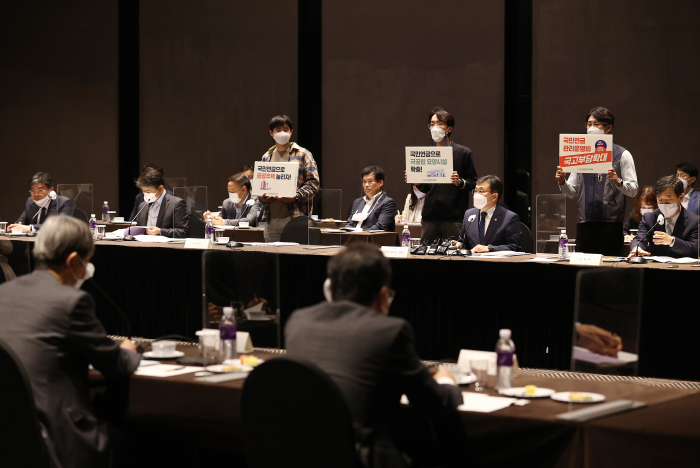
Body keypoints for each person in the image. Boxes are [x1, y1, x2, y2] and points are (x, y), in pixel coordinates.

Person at [285, 244, 462, 467]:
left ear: (329, 288)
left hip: (300, 455)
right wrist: (446, 379)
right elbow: (434, 402)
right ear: (383, 294)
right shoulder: (388, 332)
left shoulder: (298, 322)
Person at [0, 216, 140, 467]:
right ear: (73, 260)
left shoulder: (3, 293)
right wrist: (130, 351)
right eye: (87, 262)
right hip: (58, 440)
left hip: (10, 439)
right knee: (144, 442)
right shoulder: (71, 301)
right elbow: (116, 364)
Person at [555, 107, 639, 256]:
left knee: (609, 271)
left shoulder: (622, 155)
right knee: (583, 268)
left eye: (597, 124)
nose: (591, 128)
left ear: (608, 128)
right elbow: (572, 192)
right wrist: (562, 182)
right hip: (585, 224)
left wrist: (618, 182)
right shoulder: (580, 153)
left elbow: (633, 190)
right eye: (588, 124)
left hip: (611, 225)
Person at [410, 107, 478, 242]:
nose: (435, 127)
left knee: (454, 256)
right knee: (427, 256)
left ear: (449, 129)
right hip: (430, 216)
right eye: (432, 123)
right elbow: (428, 188)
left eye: (440, 123)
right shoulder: (427, 155)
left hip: (454, 217)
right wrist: (418, 184)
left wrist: (460, 182)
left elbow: (474, 183)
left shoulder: (463, 153)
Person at [258, 115, 320, 242]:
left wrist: (295, 196)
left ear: (291, 132)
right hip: (271, 220)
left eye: (285, 129)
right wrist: (262, 197)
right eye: (278, 129)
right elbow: (261, 185)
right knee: (273, 259)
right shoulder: (266, 157)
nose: (282, 132)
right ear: (271, 133)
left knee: (294, 260)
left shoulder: (303, 154)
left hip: (294, 218)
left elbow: (313, 184)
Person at [629, 175, 699, 259]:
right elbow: (639, 239)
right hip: (655, 269)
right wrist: (637, 248)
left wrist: (672, 241)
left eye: (669, 200)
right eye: (660, 200)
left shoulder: (694, 221)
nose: (664, 204)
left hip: (683, 270)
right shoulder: (649, 218)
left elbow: (696, 249)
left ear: (680, 198)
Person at [451, 175, 521, 252]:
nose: (476, 195)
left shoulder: (509, 217)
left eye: (481, 191)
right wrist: (458, 244)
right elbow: (463, 242)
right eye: (475, 191)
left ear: (494, 196)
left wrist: (489, 248)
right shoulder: (469, 214)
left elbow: (514, 247)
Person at [9, 172, 74, 233]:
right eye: (33, 190)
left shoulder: (64, 203)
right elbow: (21, 222)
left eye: (40, 190)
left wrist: (31, 228)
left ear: (51, 189)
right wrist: (15, 227)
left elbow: (59, 226)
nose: (36, 194)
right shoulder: (30, 202)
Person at [134, 168, 190, 238]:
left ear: (160, 188)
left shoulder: (176, 204)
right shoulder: (142, 205)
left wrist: (160, 231)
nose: (145, 194)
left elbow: (184, 232)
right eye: (143, 191)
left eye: (148, 192)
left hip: (165, 247)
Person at [345, 166, 396, 231]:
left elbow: (380, 227)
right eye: (364, 182)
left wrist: (360, 232)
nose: (366, 185)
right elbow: (349, 224)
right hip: (353, 238)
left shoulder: (387, 202)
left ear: (380, 183)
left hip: (372, 239)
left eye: (370, 181)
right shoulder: (357, 202)